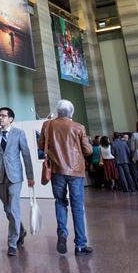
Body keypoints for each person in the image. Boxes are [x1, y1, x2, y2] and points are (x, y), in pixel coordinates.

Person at [38, 99, 94, 256]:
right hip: (75, 172)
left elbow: (41, 145)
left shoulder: (47, 125)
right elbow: (88, 150)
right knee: (77, 206)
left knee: (60, 202)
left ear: (58, 112)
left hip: (56, 171)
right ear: (71, 113)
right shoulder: (78, 127)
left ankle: (62, 233)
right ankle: (80, 245)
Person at [0, 106, 34, 256]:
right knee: (6, 208)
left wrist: (30, 176)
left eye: (3, 116)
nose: (0, 118)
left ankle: (12, 243)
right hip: (0, 175)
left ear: (11, 119)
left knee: (13, 208)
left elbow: (26, 154)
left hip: (15, 176)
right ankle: (21, 230)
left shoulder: (19, 133)